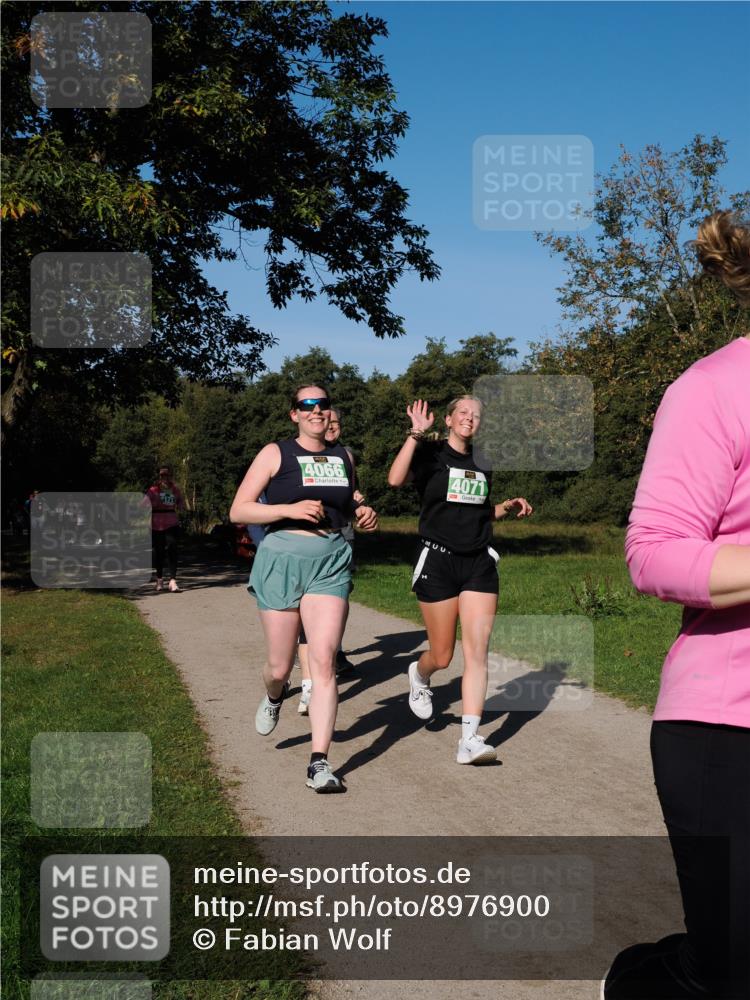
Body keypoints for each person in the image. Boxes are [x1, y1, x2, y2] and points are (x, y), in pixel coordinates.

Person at [602, 210, 750, 998]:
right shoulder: (716, 387)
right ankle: (643, 980)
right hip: (729, 726)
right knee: (729, 975)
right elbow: (653, 551)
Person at [229, 384, 378, 792]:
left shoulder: (343, 456)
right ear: (294, 414)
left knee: (324, 660)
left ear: (330, 412)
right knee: (279, 667)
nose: (316, 410)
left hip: (330, 559)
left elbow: (346, 503)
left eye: (322, 404)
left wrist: (362, 511)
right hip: (281, 556)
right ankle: (275, 696)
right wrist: (288, 510)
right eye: (306, 405)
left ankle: (319, 763)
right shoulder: (275, 453)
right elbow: (238, 509)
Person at [387, 396, 532, 764]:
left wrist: (506, 506)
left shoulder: (483, 461)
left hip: (478, 564)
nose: (471, 418)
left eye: (477, 415)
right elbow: (395, 480)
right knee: (442, 654)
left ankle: (469, 739)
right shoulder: (430, 453)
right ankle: (419, 676)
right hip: (437, 561)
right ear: (449, 419)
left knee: (477, 653)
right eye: (464, 413)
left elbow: (478, 510)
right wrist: (415, 435)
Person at [297, 406, 363, 715]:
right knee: (304, 608)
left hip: (342, 533)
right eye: (329, 421)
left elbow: (352, 493)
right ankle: (308, 684)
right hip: (306, 539)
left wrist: (363, 506)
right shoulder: (305, 453)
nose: (333, 426)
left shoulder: (345, 456)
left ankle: (332, 651)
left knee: (339, 596)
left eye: (337, 422)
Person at [145, 465, 185, 593]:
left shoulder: (174, 489)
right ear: (159, 476)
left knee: (173, 548)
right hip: (157, 523)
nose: (164, 477)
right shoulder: (153, 490)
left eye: (166, 475)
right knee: (159, 552)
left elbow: (181, 503)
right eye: (162, 475)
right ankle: (160, 579)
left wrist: (180, 505)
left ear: (170, 476)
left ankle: (173, 580)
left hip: (171, 522)